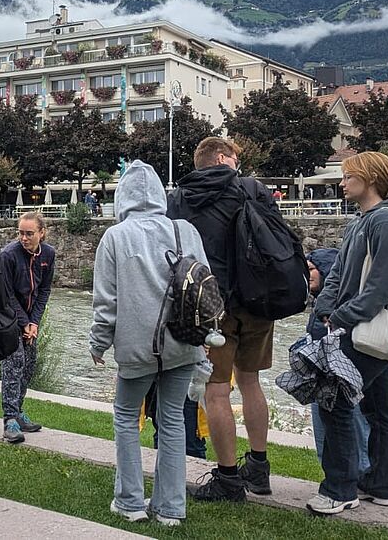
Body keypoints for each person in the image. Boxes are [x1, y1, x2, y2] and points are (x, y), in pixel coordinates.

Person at [90, 160, 209, 527]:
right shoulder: (185, 230)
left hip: (137, 345)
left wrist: (99, 343)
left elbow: (106, 299)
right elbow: (205, 286)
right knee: (173, 419)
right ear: (160, 193)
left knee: (127, 418)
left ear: (122, 196)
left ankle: (129, 501)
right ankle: (171, 508)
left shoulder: (116, 236)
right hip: (183, 342)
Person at [166, 137, 282, 502]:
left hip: (211, 305)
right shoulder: (252, 189)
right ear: (221, 158)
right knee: (251, 382)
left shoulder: (181, 197)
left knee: (216, 390)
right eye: (235, 156)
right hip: (257, 300)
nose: (238, 162)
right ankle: (259, 468)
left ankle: (229, 477)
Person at [306, 151, 388, 515]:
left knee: (333, 399)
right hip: (363, 329)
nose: (342, 182)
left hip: (366, 331)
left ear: (368, 179)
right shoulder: (362, 221)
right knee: (378, 407)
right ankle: (380, 485)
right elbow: (338, 272)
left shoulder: (386, 223)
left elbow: (384, 284)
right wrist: (324, 308)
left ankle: (339, 488)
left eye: (348, 177)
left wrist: (341, 317)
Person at [305, 248, 370, 477]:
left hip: (336, 373)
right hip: (320, 372)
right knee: (326, 425)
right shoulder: (320, 303)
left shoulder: (335, 306)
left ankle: (354, 475)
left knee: (348, 421)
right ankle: (336, 474)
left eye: (311, 268)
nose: (307, 273)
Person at [0, 211, 56, 444]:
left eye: (29, 233)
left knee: (29, 365)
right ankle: (9, 419)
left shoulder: (48, 255)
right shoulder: (9, 256)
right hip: (9, 318)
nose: (24, 237)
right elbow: (7, 295)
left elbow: (44, 291)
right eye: (21, 233)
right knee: (14, 363)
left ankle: (19, 411)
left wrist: (34, 322)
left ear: (41, 233)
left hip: (29, 320)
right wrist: (23, 323)